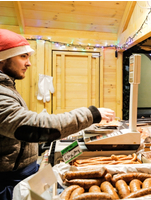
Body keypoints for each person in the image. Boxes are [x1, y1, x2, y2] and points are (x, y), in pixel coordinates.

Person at [0, 29, 115, 200]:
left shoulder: (7, 87)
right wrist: (91, 114)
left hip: (27, 171)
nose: (29, 63)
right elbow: (31, 126)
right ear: (3, 58)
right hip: (9, 180)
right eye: (23, 56)